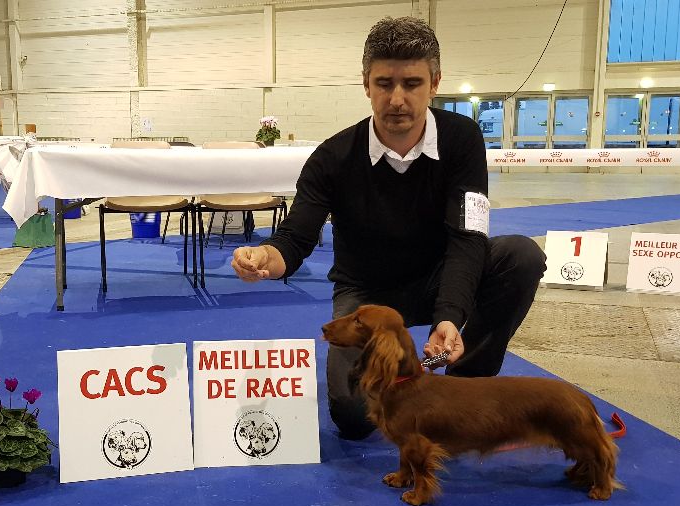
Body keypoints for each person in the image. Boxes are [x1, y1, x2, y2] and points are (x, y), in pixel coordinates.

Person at [231, 16, 547, 440]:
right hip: (366, 294)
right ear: (366, 84)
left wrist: (449, 316)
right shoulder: (332, 157)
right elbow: (295, 237)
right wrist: (265, 258)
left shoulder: (463, 139)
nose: (397, 99)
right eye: (384, 83)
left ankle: (467, 386)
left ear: (435, 83)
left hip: (439, 278)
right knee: (353, 417)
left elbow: (467, 235)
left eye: (412, 83)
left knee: (521, 256)